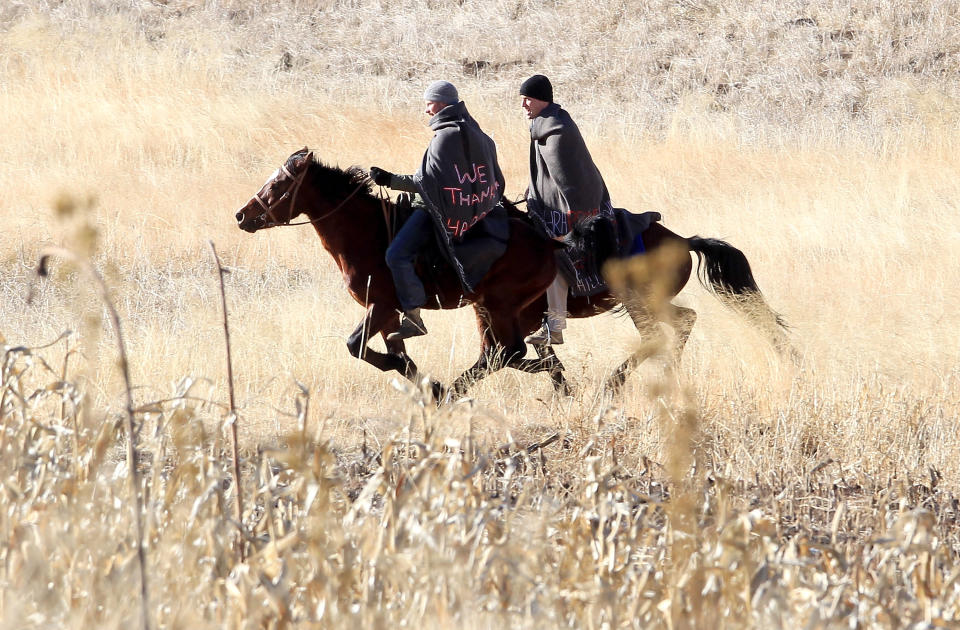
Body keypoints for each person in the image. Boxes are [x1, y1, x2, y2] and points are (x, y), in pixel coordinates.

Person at [370, 81, 508, 341]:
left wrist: (390, 180)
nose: (426, 110)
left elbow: (427, 185)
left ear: (442, 103)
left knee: (396, 255)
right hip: (475, 211)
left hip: (438, 212)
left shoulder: (445, 138)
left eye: (429, 104)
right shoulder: (477, 132)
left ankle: (413, 315)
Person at [520, 74, 616, 345]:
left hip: (571, 212)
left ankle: (555, 326)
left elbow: (570, 179)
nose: (524, 105)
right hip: (549, 206)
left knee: (553, 259)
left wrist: (576, 219)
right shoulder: (543, 124)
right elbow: (546, 177)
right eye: (523, 99)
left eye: (528, 99)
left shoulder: (557, 129)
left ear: (542, 99)